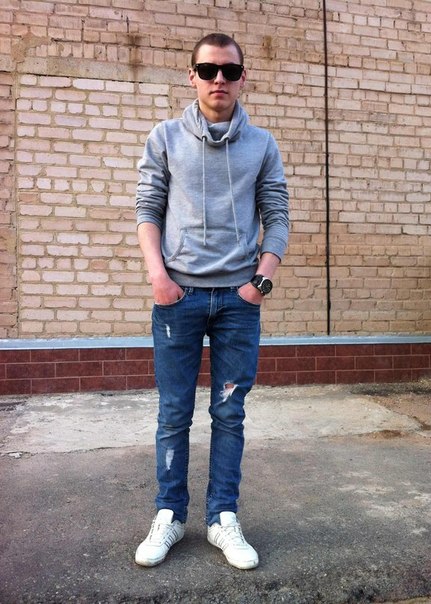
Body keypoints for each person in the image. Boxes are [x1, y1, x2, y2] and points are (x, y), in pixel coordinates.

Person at [134, 32, 289, 570]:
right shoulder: (165, 137)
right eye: (207, 70)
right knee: (173, 413)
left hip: (238, 303)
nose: (218, 79)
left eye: (228, 70)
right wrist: (158, 276)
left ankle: (223, 517)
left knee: (229, 412)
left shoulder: (261, 144)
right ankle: (170, 515)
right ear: (192, 76)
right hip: (178, 299)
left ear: (243, 77)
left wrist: (260, 283)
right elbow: (148, 209)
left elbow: (278, 216)